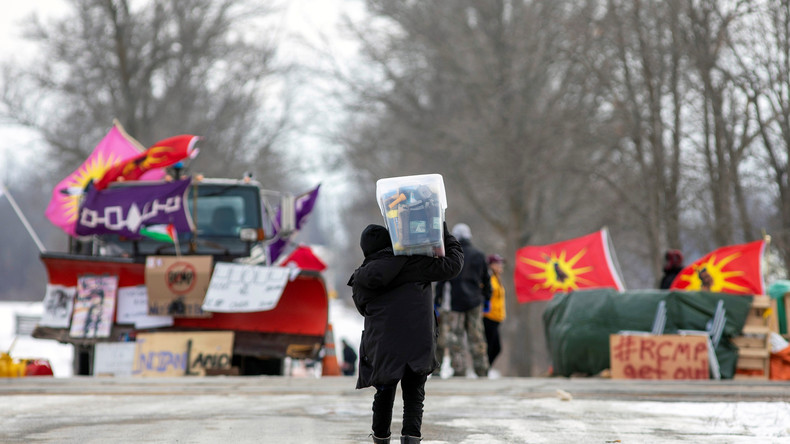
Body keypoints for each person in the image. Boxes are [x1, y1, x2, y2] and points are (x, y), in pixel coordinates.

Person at [349, 222, 463, 444]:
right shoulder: (415, 264)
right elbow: (454, 264)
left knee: (383, 392)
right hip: (417, 341)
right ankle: (411, 439)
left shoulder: (362, 278)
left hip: (382, 344)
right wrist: (442, 229)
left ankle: (380, 438)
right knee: (413, 395)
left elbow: (362, 308)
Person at [434, 223, 491, 378]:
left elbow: (442, 280)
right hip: (475, 302)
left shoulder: (451, 254)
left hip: (455, 302)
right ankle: (482, 369)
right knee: (477, 337)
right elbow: (486, 279)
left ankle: (459, 369)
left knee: (456, 338)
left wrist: (437, 300)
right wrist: (487, 298)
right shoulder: (479, 255)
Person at [483, 254, 506, 369]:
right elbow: (485, 293)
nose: (500, 266)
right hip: (489, 317)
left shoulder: (497, 279)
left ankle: (486, 369)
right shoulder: (489, 279)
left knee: (494, 347)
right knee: (493, 347)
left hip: (496, 318)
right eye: (497, 264)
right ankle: (484, 369)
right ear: (491, 265)